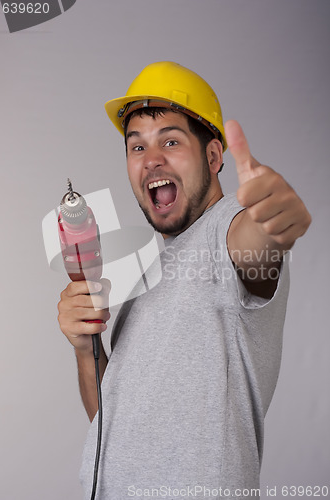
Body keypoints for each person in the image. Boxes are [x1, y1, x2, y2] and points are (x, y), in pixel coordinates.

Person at [58, 62, 311, 499]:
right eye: (136, 148)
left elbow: (254, 243)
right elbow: (109, 427)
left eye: (170, 141)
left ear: (214, 157)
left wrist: (273, 224)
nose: (151, 160)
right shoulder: (146, 280)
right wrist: (87, 349)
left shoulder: (225, 230)